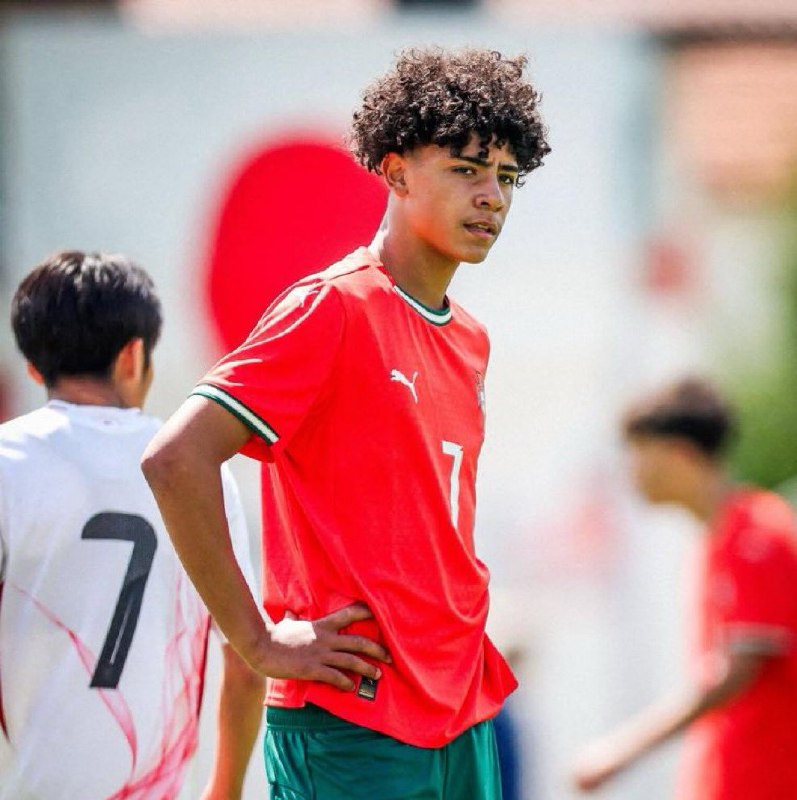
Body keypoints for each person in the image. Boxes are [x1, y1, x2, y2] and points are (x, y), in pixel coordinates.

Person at [142, 46, 550, 799]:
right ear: (395, 172)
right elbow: (175, 459)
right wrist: (257, 641)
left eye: (506, 177)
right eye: (467, 170)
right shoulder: (333, 306)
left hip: (461, 711)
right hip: (353, 717)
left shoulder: (470, 338)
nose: (492, 196)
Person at [0, 251, 265, 800]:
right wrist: (225, 789)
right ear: (133, 355)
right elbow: (246, 663)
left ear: (34, 368)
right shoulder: (196, 469)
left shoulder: (7, 461)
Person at [572, 377, 797, 799]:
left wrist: (623, 747)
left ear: (679, 454)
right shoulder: (716, 539)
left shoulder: (757, 534)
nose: (632, 471)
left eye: (640, 451)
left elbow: (735, 671)